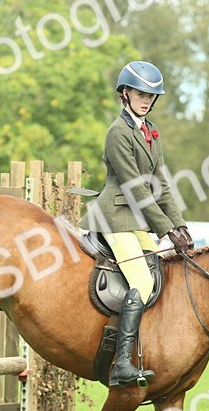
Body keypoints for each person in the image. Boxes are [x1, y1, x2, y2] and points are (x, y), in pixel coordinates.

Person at [81, 60, 191, 387]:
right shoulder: (118, 132)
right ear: (124, 93)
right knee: (142, 282)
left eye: (151, 95)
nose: (146, 100)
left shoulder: (151, 132)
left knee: (163, 271)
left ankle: (150, 348)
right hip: (115, 217)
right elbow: (134, 186)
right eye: (140, 93)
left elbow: (162, 185)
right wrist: (166, 229)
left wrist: (181, 225)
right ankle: (120, 364)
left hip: (136, 221)